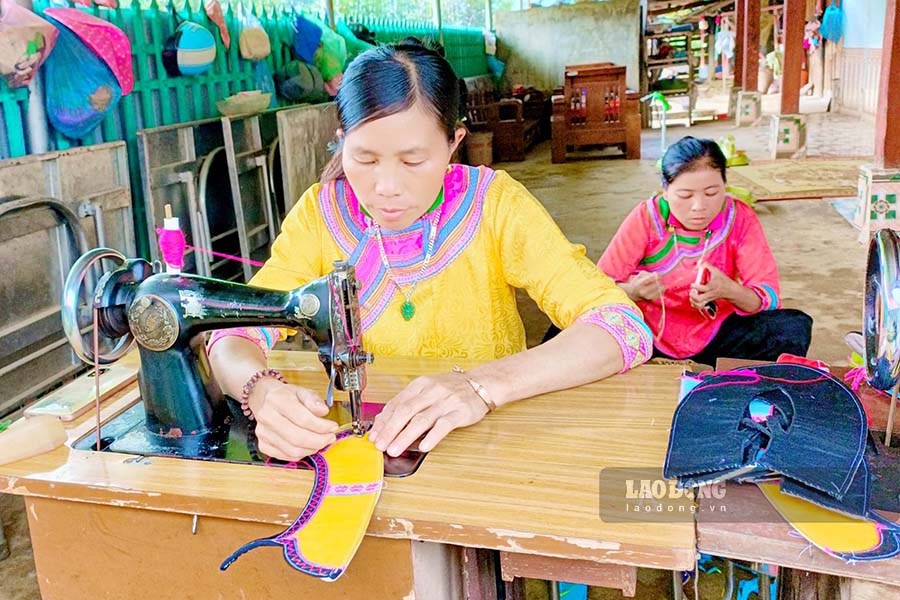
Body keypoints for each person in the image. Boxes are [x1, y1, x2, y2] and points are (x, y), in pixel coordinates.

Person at [206, 40, 652, 462]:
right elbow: (234, 332)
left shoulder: (493, 206)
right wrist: (260, 391)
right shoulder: (321, 216)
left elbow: (622, 326)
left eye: (413, 161)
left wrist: (481, 386)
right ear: (342, 138)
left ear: (454, 142)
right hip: (383, 440)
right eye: (363, 158)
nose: (386, 188)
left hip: (491, 441)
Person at [596, 136, 812, 368]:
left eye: (711, 193)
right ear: (665, 191)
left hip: (717, 332)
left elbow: (766, 299)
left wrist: (729, 290)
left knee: (792, 327)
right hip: (648, 333)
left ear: (724, 186)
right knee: (572, 328)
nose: (699, 206)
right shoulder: (647, 217)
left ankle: (736, 391)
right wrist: (632, 291)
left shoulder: (739, 217)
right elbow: (597, 287)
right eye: (685, 195)